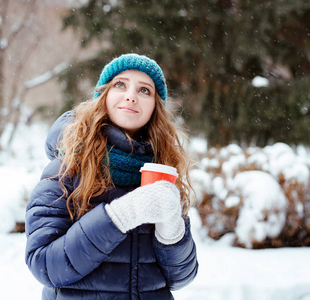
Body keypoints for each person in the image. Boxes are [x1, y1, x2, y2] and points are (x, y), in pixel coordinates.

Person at [25, 53, 198, 300]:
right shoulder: (66, 170)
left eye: (145, 90)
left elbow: (181, 278)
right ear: (103, 95)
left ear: (154, 108)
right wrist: (121, 215)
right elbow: (44, 265)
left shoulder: (162, 170)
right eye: (120, 84)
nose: (131, 95)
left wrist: (171, 230)